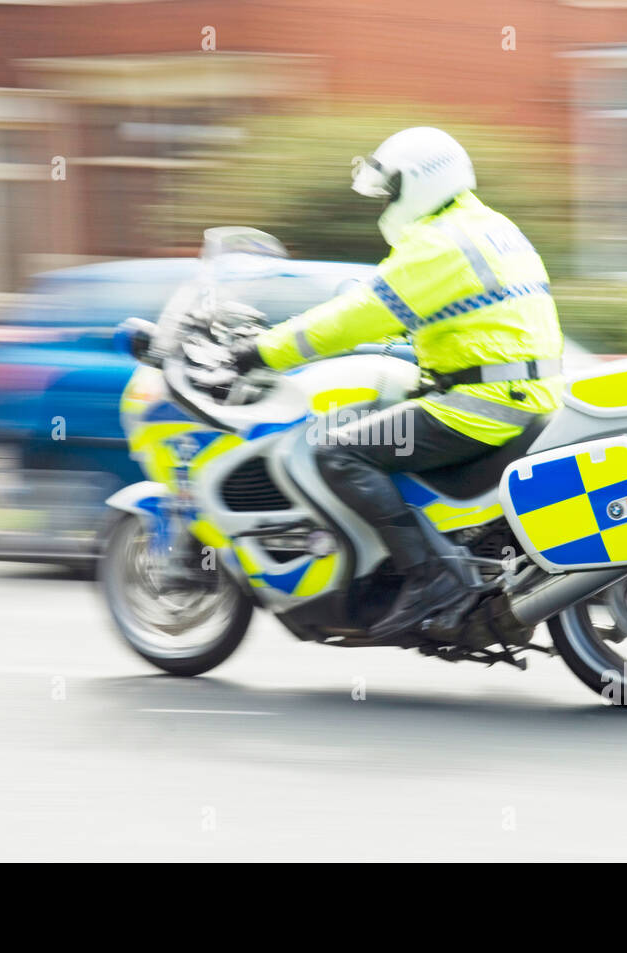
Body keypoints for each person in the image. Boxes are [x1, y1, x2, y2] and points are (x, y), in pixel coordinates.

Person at [231, 127, 562, 639]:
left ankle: (430, 580)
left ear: (421, 182)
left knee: (335, 448)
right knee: (381, 425)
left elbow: (353, 317)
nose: (386, 202)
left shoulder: (436, 245)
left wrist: (262, 350)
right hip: (526, 395)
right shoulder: (490, 226)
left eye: (391, 189)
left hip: (481, 405)